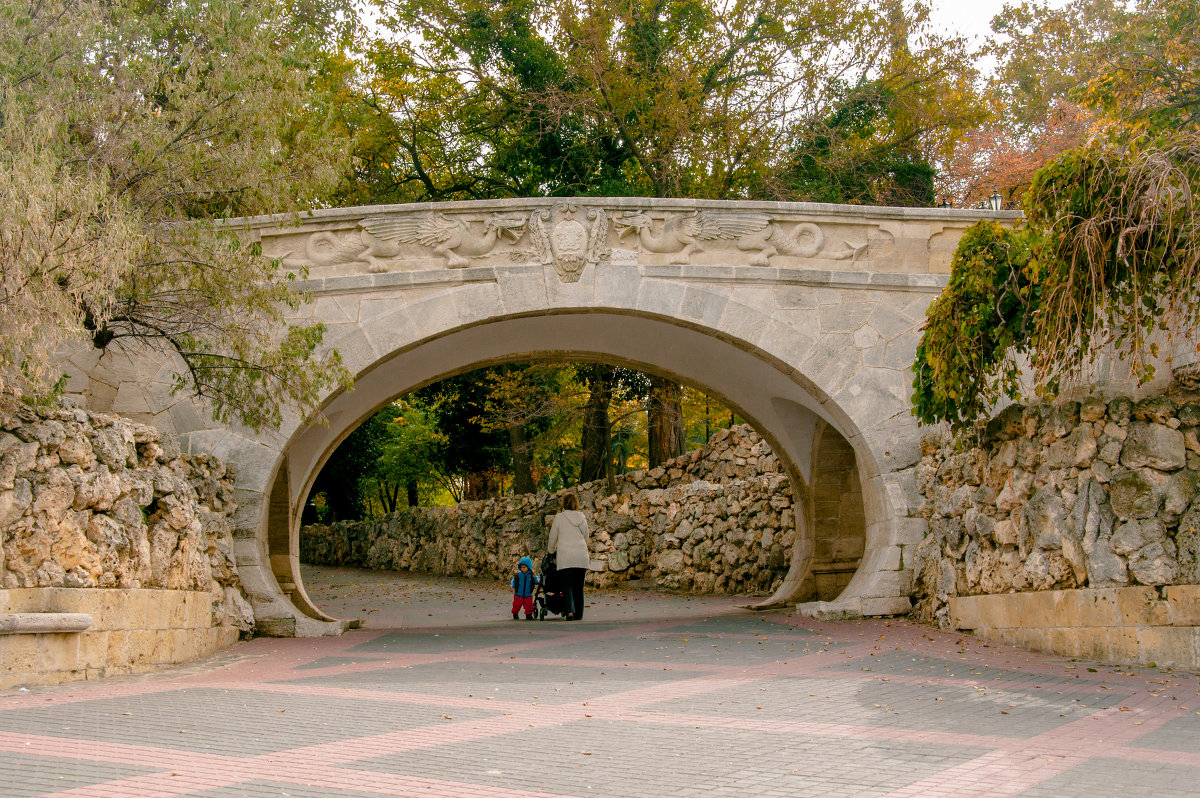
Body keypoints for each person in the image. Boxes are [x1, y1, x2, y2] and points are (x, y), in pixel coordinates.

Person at [547, 492, 590, 620]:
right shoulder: (582, 517)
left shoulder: (559, 518)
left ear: (563, 503)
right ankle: (579, 613)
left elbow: (553, 537)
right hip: (581, 556)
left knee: (567, 586)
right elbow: (586, 536)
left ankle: (570, 612)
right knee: (578, 586)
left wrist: (550, 551)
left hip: (565, 556)